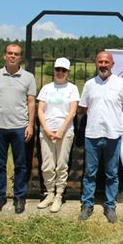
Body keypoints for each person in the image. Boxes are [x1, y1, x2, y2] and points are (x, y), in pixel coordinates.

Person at [78, 51, 123, 223]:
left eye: (106, 62)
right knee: (90, 173)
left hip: (112, 135)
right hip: (92, 135)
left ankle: (110, 206)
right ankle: (87, 205)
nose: (103, 65)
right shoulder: (89, 84)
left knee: (112, 173)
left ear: (112, 64)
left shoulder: (122, 84)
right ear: (96, 63)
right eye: (100, 62)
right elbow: (84, 108)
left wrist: (116, 121)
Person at [0, 44, 37, 214]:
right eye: (10, 53)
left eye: (16, 54)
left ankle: (19, 197)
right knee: (0, 164)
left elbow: (31, 102)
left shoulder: (28, 77)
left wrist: (30, 125)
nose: (13, 56)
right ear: (4, 56)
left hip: (19, 127)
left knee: (20, 165)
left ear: (20, 57)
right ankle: (0, 197)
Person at [36, 57, 79, 212]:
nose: (60, 73)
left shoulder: (72, 88)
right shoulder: (46, 88)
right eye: (58, 69)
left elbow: (72, 111)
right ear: (54, 70)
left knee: (61, 165)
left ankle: (59, 195)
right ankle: (49, 193)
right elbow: (40, 109)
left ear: (68, 72)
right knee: (47, 165)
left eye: (63, 70)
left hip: (65, 131)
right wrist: (46, 129)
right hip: (46, 131)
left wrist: (61, 130)